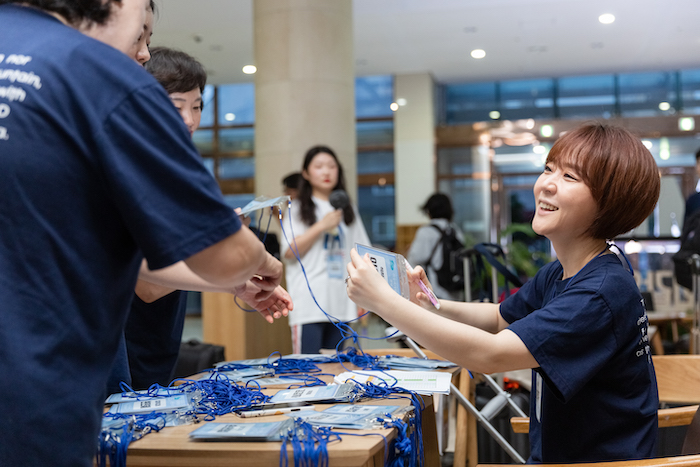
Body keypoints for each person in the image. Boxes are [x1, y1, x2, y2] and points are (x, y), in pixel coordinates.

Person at [0, 1, 285, 466]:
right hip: (34, 389)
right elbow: (225, 256)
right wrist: (263, 262)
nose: (144, 55)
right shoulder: (94, 73)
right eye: (142, 33)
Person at [347, 123, 660, 463]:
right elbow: (499, 318)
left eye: (570, 178)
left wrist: (384, 302)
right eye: (549, 169)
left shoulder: (599, 292)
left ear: (610, 203)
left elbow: (491, 355)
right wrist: (424, 302)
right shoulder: (567, 270)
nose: (547, 185)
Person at [107, 46, 292, 392]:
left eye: (196, 107)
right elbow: (145, 282)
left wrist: (233, 279)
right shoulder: (130, 169)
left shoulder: (174, 171)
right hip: (122, 349)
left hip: (158, 340)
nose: (190, 120)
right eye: (177, 107)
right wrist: (232, 267)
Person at [282, 146, 370, 353]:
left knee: (337, 369)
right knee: (308, 370)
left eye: (332, 166)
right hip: (309, 304)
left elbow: (362, 253)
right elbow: (289, 253)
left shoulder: (348, 209)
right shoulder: (296, 208)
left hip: (342, 303)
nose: (326, 172)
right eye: (319, 166)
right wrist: (321, 226)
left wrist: (366, 296)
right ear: (306, 173)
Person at [407, 193, 465, 300]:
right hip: (456, 292)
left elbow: (412, 262)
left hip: (436, 293)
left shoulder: (426, 232)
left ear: (429, 211)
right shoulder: (456, 231)